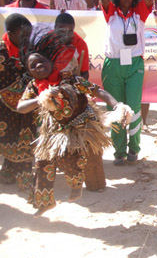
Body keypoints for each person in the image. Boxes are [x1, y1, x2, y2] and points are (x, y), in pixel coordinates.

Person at [17, 30, 133, 217]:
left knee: (69, 159)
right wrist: (41, 97)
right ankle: (45, 201)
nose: (38, 66)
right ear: (29, 72)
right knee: (42, 160)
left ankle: (76, 184)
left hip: (81, 124)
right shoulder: (34, 87)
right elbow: (21, 107)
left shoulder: (69, 78)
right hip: (55, 128)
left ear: (50, 61)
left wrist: (117, 105)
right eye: (33, 66)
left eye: (41, 62)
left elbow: (98, 92)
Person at [100, 0, 154, 165]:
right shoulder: (110, 10)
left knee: (134, 107)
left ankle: (134, 148)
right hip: (113, 64)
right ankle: (119, 151)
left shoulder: (139, 11)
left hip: (134, 65)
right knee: (115, 110)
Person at [0, 14, 37, 189]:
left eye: (28, 34)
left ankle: (14, 176)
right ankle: (18, 177)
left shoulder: (27, 49)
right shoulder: (2, 52)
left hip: (24, 104)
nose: (26, 39)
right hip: (5, 107)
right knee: (12, 140)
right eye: (22, 35)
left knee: (24, 139)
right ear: (10, 33)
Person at [53, 12, 90, 79]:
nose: (66, 35)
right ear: (55, 27)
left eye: (70, 31)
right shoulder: (47, 40)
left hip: (70, 83)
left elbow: (84, 73)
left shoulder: (80, 44)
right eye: (62, 31)